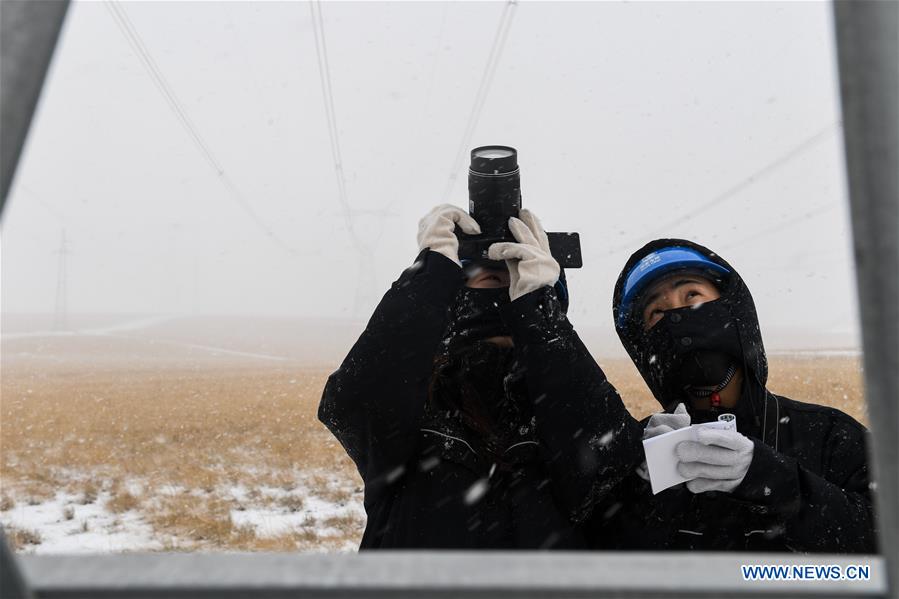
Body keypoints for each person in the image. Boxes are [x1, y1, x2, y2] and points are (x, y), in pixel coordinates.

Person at [318, 204, 642, 549]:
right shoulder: (418, 412)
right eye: (486, 275)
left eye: (516, 276)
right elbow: (353, 400)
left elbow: (610, 461)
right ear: (454, 297)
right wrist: (431, 273)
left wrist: (538, 314)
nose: (503, 284)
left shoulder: (568, 411)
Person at [587, 239, 877, 552]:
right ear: (644, 344)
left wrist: (769, 478)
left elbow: (882, 541)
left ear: (731, 308)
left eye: (692, 295)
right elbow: (600, 569)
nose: (678, 315)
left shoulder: (829, 436)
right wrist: (643, 489)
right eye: (657, 311)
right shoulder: (634, 456)